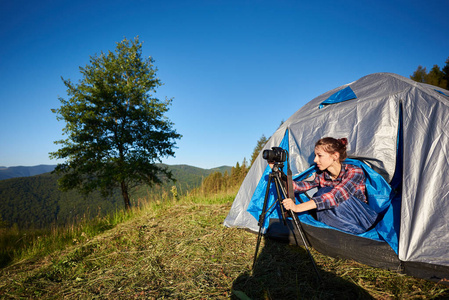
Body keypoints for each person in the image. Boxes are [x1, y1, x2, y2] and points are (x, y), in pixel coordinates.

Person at [280, 137, 378, 234]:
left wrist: (298, 208)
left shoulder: (354, 171)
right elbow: (302, 186)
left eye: (319, 155)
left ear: (335, 156)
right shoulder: (322, 175)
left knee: (323, 192)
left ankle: (358, 234)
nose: (315, 160)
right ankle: (340, 234)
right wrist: (279, 175)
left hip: (364, 218)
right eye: (315, 155)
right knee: (322, 196)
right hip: (342, 220)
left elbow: (336, 196)